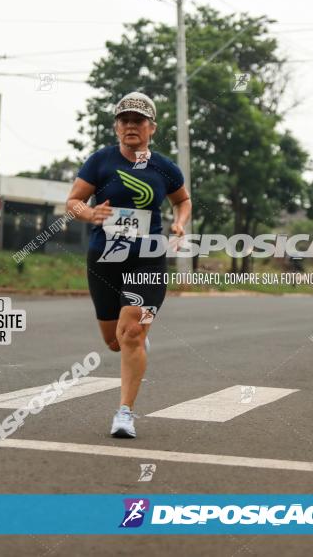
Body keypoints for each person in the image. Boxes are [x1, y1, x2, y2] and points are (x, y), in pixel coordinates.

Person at [66, 92, 192, 439]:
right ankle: (133, 343)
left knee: (132, 331)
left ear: (152, 128)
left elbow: (183, 200)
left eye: (138, 121)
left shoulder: (164, 168)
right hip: (104, 257)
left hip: (148, 258)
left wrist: (180, 223)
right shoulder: (100, 162)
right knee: (114, 340)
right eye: (124, 120)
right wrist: (90, 212)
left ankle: (125, 413)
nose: (131, 126)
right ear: (116, 127)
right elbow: (73, 201)